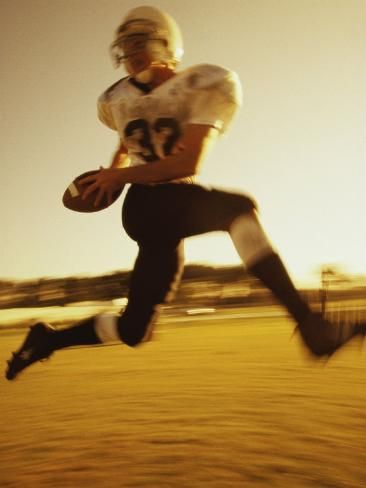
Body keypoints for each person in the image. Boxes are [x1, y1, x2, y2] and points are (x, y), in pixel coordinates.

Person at [6, 6, 365, 381]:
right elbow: (129, 146)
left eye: (138, 43)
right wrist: (113, 173)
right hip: (147, 204)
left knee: (134, 330)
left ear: (166, 43)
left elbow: (187, 163)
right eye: (125, 46)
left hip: (167, 205)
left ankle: (47, 340)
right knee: (238, 210)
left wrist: (119, 172)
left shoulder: (199, 84)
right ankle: (311, 326)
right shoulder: (116, 98)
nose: (130, 53)